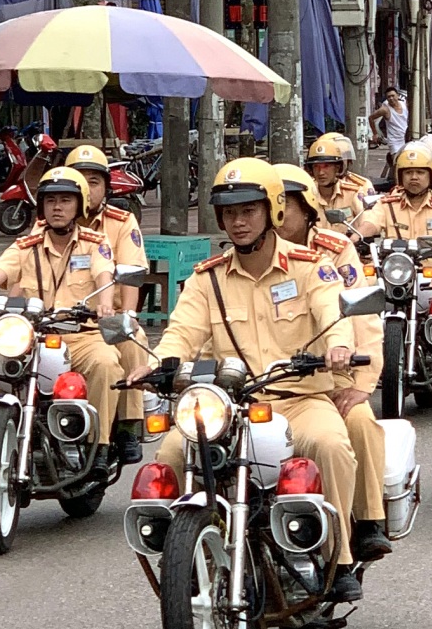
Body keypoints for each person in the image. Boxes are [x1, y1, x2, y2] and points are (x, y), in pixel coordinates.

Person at [131, 157, 364, 600]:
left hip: (299, 398)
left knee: (331, 445)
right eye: (230, 212)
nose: (238, 222)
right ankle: (184, 551)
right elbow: (182, 332)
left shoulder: (309, 266)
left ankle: (340, 557)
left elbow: (332, 311)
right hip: (230, 406)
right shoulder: (208, 279)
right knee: (173, 448)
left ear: (273, 209)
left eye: (249, 210)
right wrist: (159, 363)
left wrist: (338, 347)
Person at [0, 169, 131, 466]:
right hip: (31, 336)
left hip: (80, 335)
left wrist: (105, 304)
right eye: (50, 200)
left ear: (79, 206)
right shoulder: (26, 246)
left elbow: (104, 273)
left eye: (66, 200)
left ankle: (99, 446)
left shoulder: (95, 242)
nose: (57, 207)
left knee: (106, 364)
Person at [273, 163, 391, 563]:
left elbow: (361, 317)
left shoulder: (334, 249)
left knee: (358, 422)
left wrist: (361, 382)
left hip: (333, 375)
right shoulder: (252, 253)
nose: (276, 214)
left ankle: (369, 518)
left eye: (283, 205)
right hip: (269, 381)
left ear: (307, 208)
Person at [66, 144, 150, 460]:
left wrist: (127, 314)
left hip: (105, 317)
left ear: (106, 187)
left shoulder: (121, 221)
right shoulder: (51, 221)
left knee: (132, 337)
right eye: (80, 180)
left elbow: (130, 275)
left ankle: (127, 426)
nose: (87, 188)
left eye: (95, 181)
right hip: (57, 320)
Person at [355, 141, 432, 250]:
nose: (414, 177)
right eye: (408, 172)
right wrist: (356, 237)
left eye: (420, 172)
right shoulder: (387, 205)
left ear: (431, 175)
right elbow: (370, 224)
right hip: (397, 264)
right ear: (400, 176)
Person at [304, 133, 371, 224]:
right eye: (316, 166)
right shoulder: (306, 193)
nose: (321, 172)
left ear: (337, 166)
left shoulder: (357, 188)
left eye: (326, 166)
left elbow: (369, 220)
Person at [368, 88, 408, 178]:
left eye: (393, 96)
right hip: (394, 142)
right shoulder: (385, 109)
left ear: (397, 96)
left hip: (405, 139)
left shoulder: (404, 105)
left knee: (407, 164)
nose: (391, 98)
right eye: (388, 97)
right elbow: (371, 118)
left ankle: (390, 180)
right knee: (398, 165)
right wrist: (375, 134)